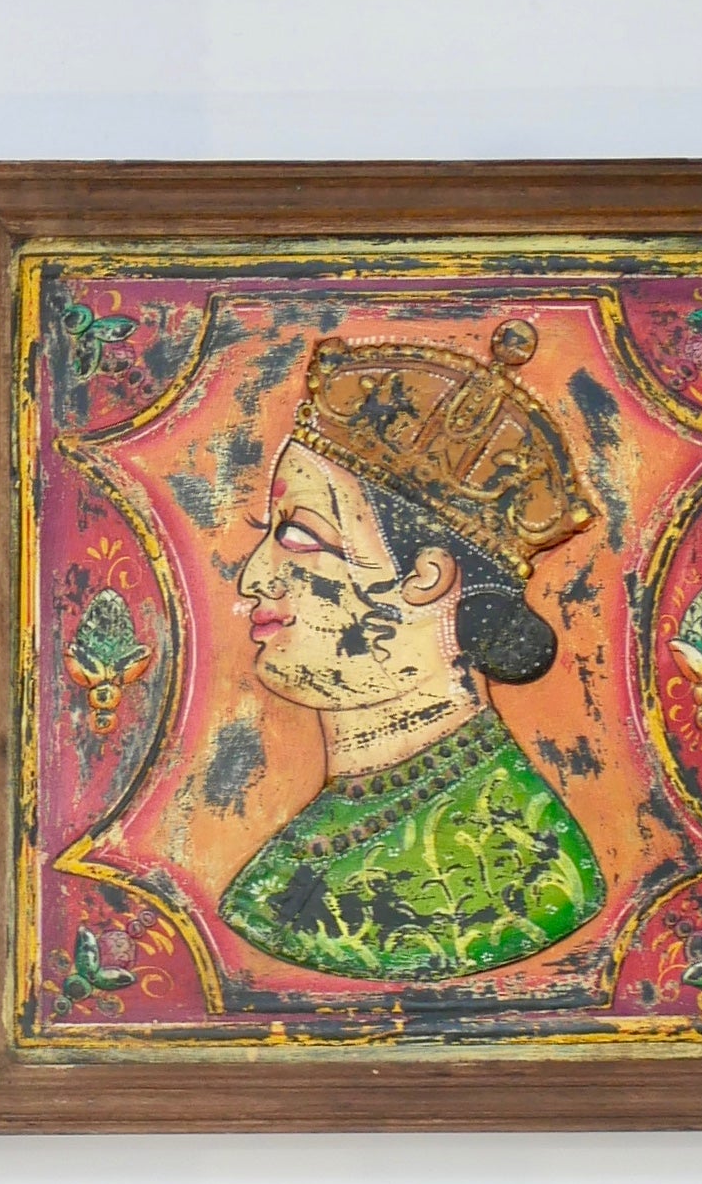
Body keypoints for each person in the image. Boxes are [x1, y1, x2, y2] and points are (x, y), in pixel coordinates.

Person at [214, 318, 607, 981]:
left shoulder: (525, 868)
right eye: (267, 532)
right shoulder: (331, 825)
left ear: (426, 578)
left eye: (301, 538)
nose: (253, 577)